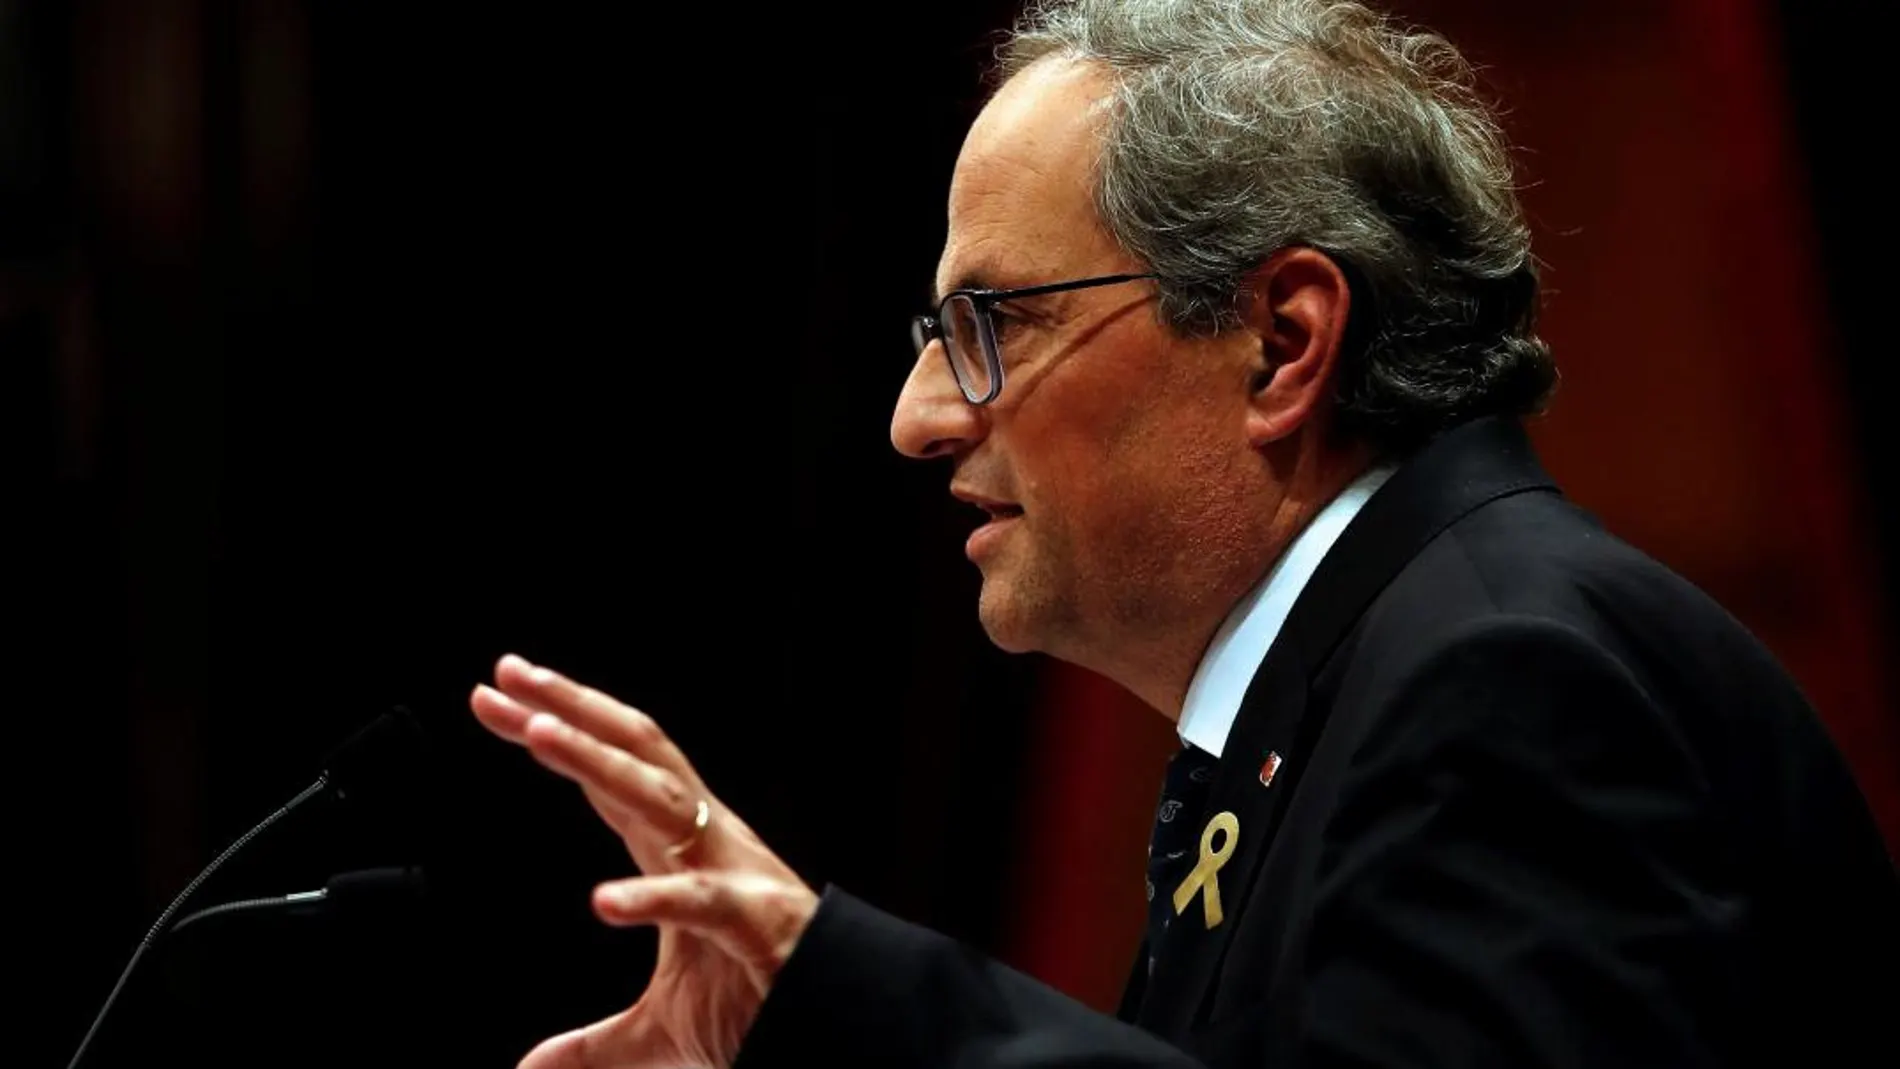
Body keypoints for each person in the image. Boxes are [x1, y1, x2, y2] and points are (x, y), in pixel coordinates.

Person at [466, 1, 1900, 1065]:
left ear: (1282, 342)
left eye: (991, 327)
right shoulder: (1373, 683)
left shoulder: (1507, 682)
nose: (918, 419)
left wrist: (838, 992)